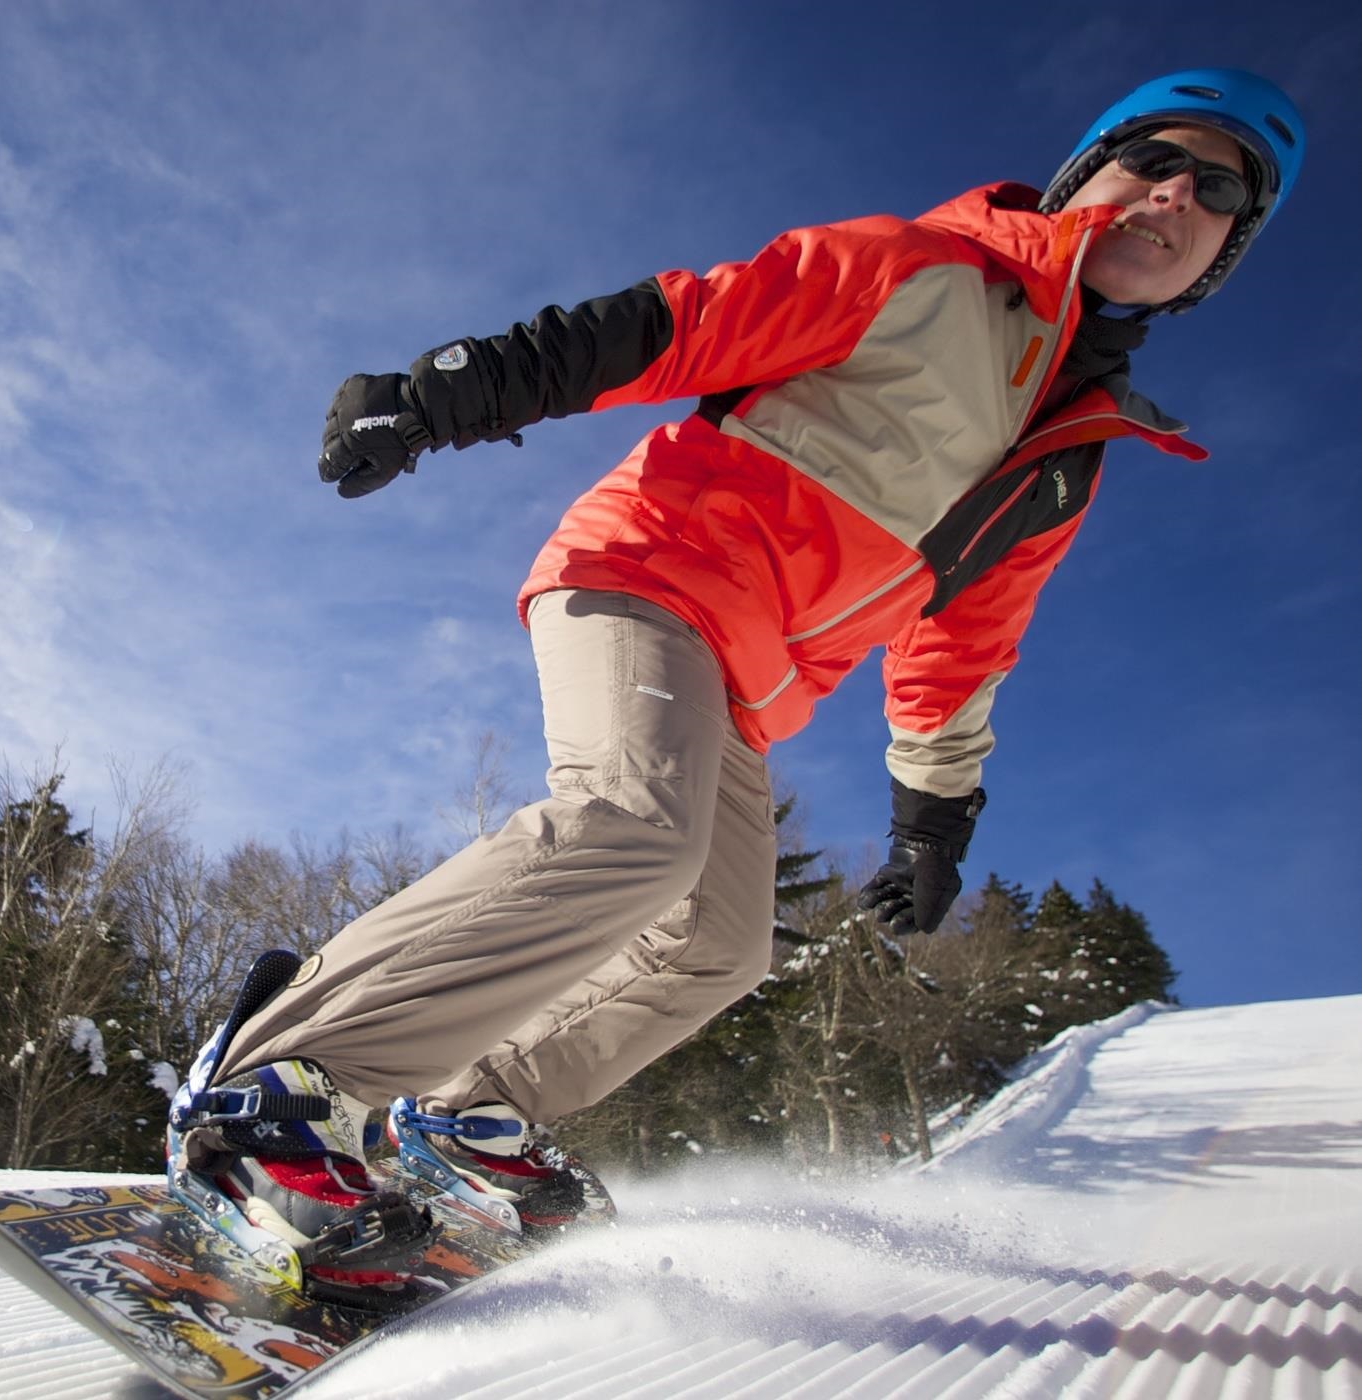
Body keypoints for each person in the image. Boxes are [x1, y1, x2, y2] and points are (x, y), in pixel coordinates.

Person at [166, 69, 1307, 1300]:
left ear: (1222, 254)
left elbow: (961, 645)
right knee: (631, 826)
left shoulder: (1071, 457)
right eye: (1152, 159)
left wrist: (933, 819)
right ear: (1089, 172)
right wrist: (451, 389)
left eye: (1220, 189)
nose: (1175, 195)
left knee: (716, 947)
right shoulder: (929, 269)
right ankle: (272, 1087)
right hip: (650, 571)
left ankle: (474, 1113)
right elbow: (686, 320)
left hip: (747, 683)